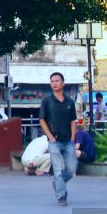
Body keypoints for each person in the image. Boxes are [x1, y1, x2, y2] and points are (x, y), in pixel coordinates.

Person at [40, 72, 77, 206]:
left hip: (68, 141)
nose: (54, 83)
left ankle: (58, 183)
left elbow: (73, 121)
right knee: (57, 170)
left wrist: (73, 137)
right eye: (52, 81)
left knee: (72, 170)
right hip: (54, 141)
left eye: (57, 81)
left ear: (63, 83)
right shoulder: (47, 101)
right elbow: (42, 120)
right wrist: (49, 136)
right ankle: (61, 196)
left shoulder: (70, 102)